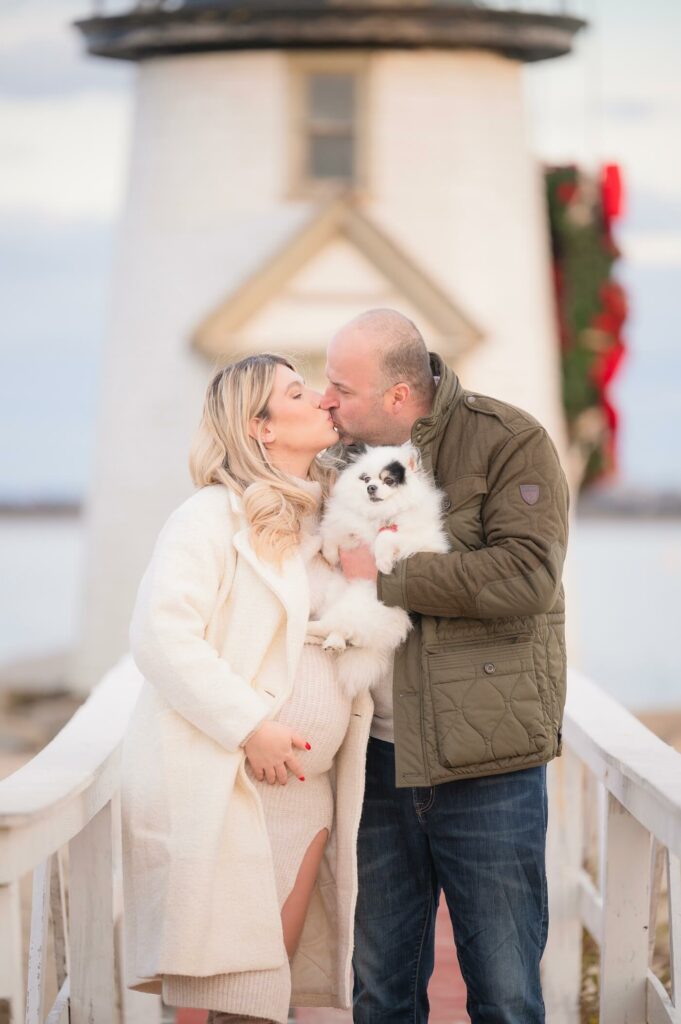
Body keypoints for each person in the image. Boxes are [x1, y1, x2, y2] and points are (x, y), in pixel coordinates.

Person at [320, 308, 570, 1024]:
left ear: (398, 396)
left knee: (504, 995)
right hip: (372, 764)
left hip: (485, 765)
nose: (327, 400)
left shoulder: (507, 440)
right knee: (379, 995)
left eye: (341, 386)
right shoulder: (331, 458)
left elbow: (527, 578)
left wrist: (386, 577)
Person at [119, 354, 374, 1024]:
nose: (322, 397)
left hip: (304, 794)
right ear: (260, 428)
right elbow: (160, 635)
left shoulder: (333, 517)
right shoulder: (206, 517)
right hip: (230, 784)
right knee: (219, 1000)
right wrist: (249, 727)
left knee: (266, 1003)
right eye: (298, 392)